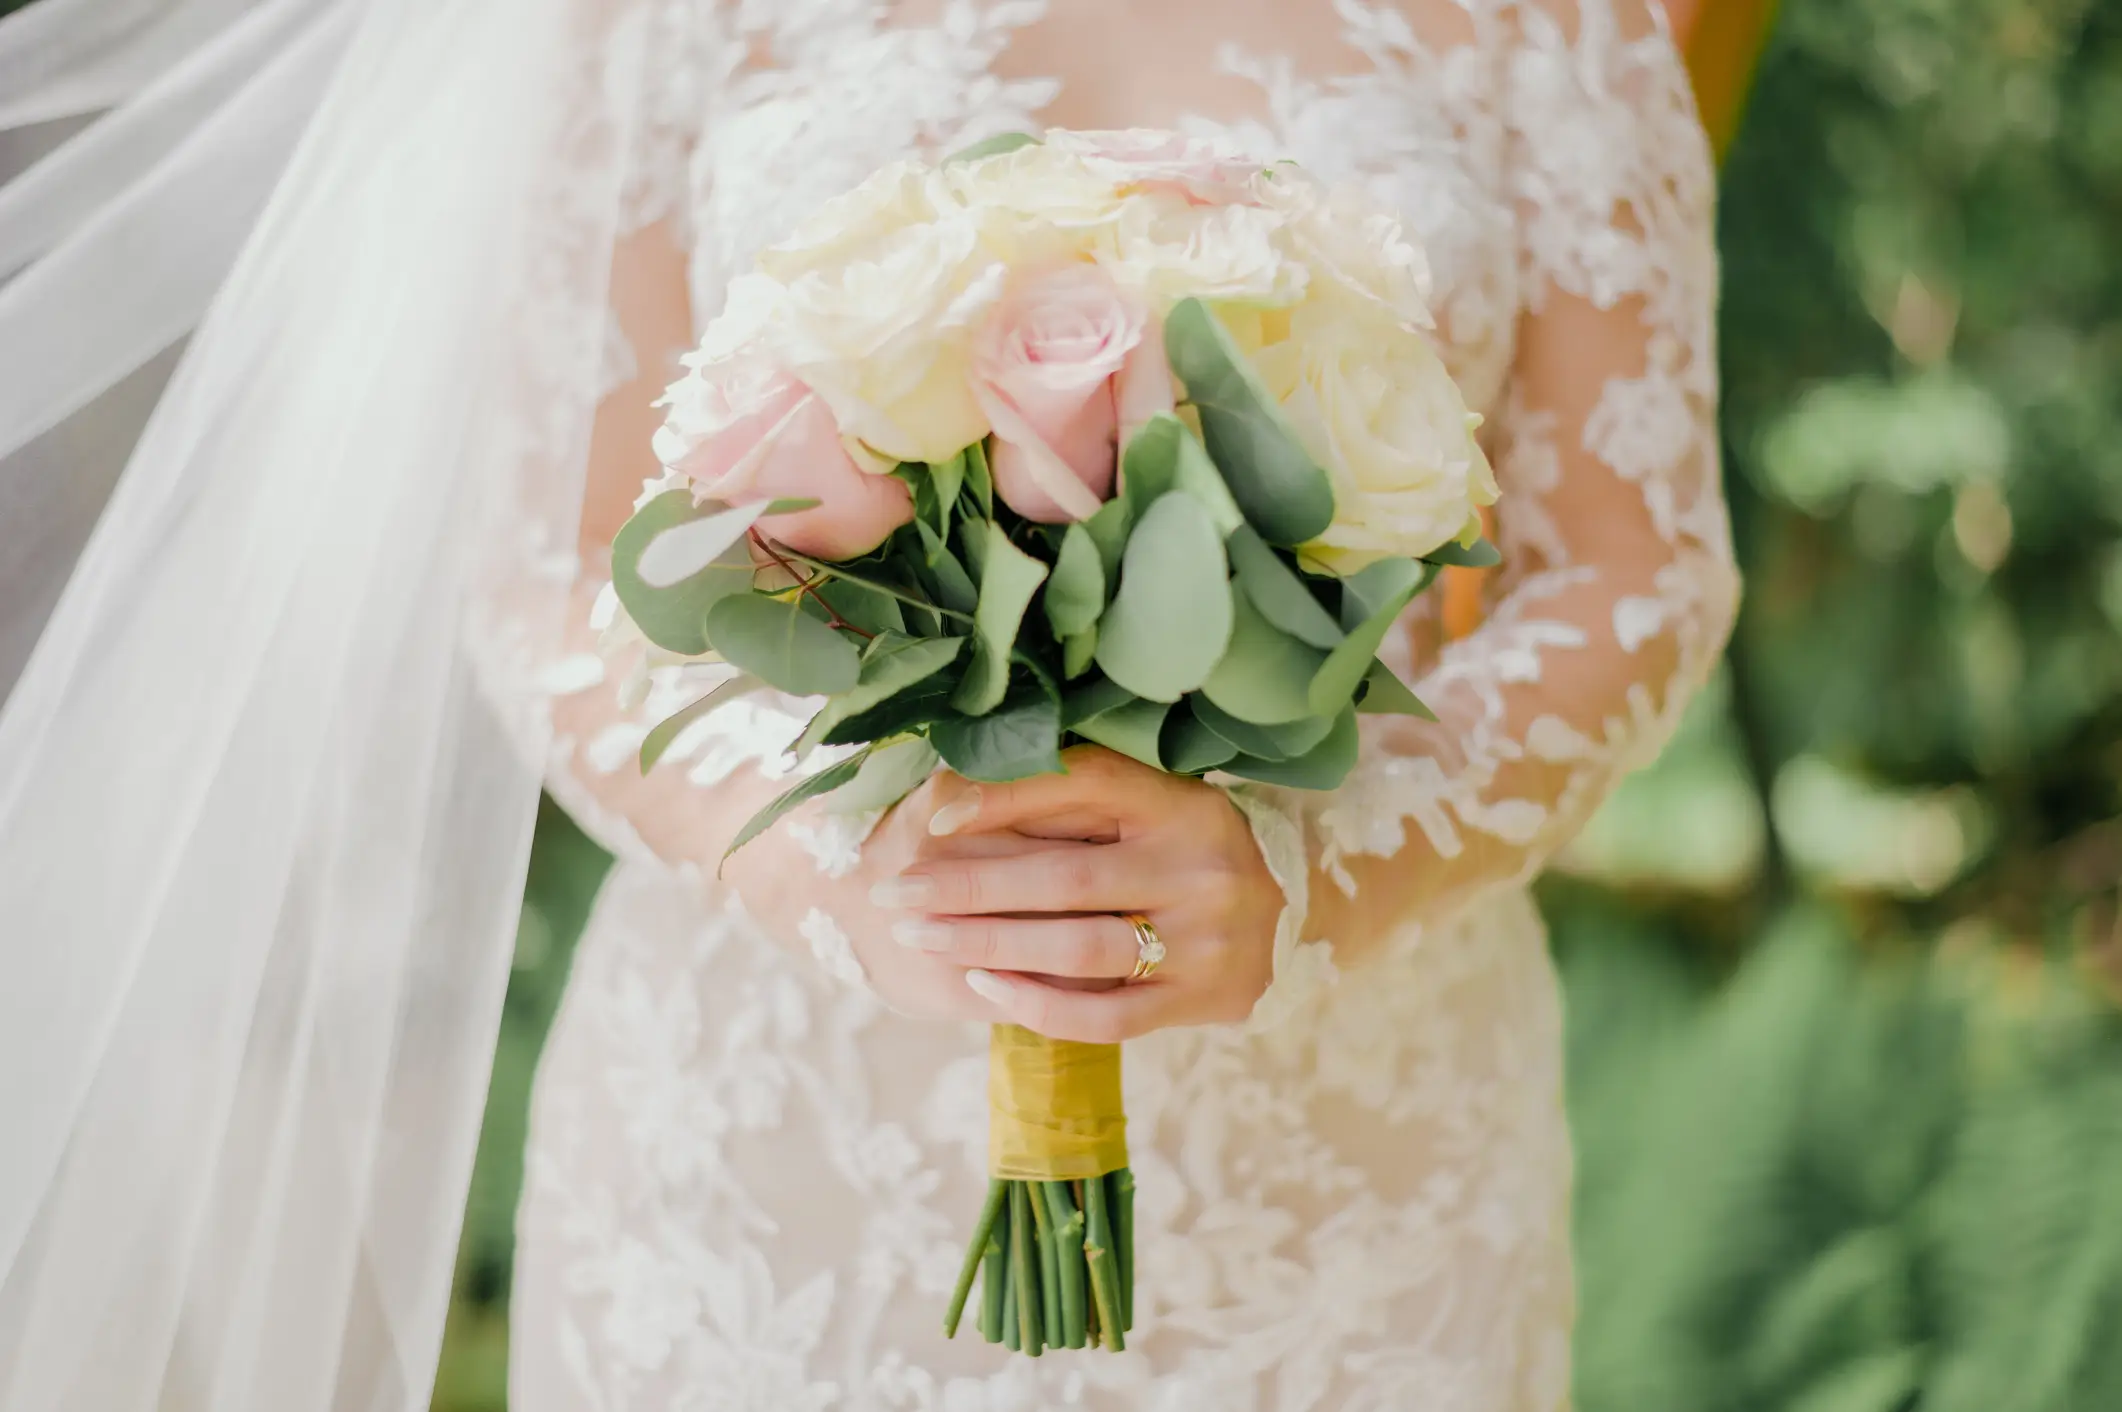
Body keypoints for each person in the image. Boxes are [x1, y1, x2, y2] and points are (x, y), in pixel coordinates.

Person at [0, 1, 1732, 1409]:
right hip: (766, 1161)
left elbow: (1631, 571)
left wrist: (1324, 867)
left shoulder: (1556, 20)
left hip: (1352, 1180)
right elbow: (558, 561)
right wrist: (830, 870)